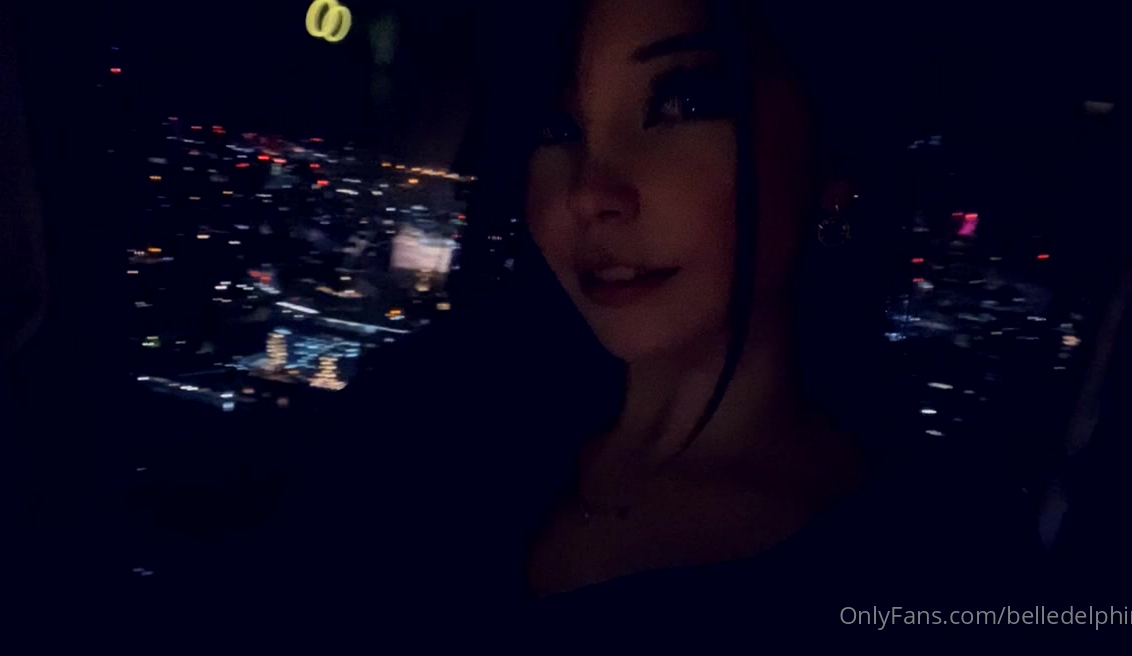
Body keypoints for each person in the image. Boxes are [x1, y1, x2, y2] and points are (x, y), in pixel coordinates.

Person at [236, 0, 1045, 648]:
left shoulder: (936, 573)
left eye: (681, 103)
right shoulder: (420, 416)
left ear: (833, 149)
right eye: (558, 128)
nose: (592, 191)